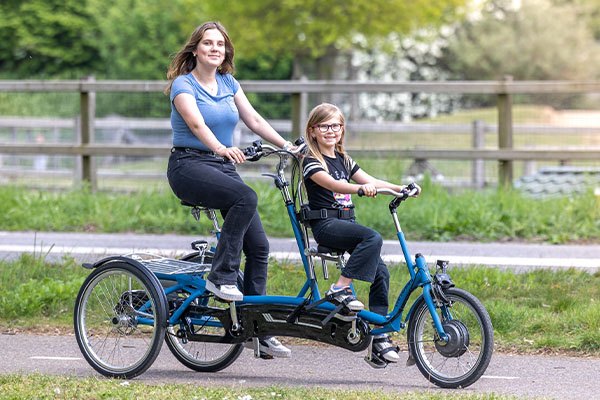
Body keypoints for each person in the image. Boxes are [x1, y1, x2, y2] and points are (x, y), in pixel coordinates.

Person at [165, 21, 292, 358]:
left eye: (220, 44)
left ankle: (256, 329)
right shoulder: (184, 84)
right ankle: (220, 276)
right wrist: (221, 148)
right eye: (208, 43)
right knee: (245, 196)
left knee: (260, 247)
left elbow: (254, 120)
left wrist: (290, 147)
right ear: (195, 49)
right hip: (189, 165)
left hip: (220, 167)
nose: (215, 49)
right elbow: (196, 124)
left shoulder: (228, 82)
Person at [302, 103, 420, 364]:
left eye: (336, 126)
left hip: (347, 225)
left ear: (342, 129)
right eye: (325, 126)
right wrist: (358, 190)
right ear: (313, 131)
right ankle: (339, 288)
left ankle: (379, 337)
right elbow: (333, 184)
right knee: (373, 237)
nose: (331, 131)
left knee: (381, 273)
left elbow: (369, 179)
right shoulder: (311, 161)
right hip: (327, 227)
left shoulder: (344, 159)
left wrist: (399, 188)